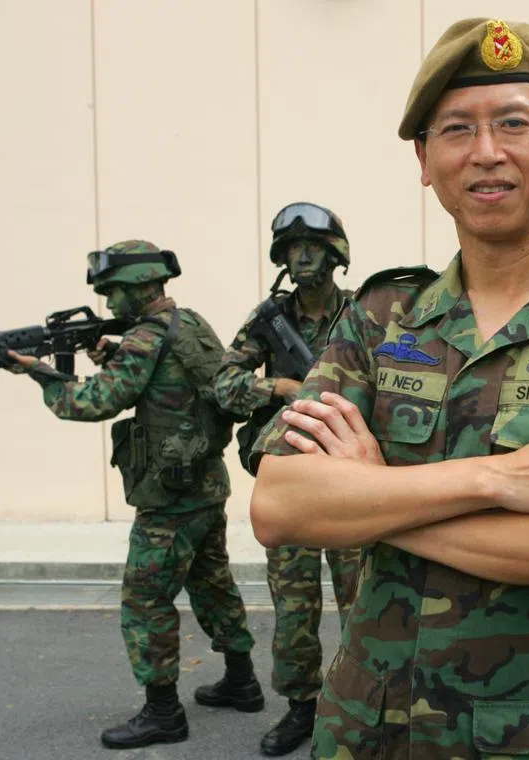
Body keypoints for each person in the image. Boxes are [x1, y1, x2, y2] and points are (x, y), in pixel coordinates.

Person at [247, 18, 529, 760]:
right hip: (370, 724)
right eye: (456, 129)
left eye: (513, 123)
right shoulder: (383, 314)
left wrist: (371, 501)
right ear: (425, 161)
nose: (486, 151)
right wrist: (505, 478)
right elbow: (281, 503)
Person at [6, 240, 261, 750]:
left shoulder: (144, 338)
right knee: (212, 583)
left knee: (145, 600)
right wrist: (113, 355)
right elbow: (177, 384)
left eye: (115, 291)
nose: (109, 303)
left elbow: (93, 402)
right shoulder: (188, 323)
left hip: (168, 497)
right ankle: (242, 682)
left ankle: (163, 713)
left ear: (142, 285)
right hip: (205, 484)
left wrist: (41, 374)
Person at [209, 202, 361, 756]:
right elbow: (222, 384)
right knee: (294, 606)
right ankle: (302, 707)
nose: (301, 257)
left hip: (352, 481)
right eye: (293, 249)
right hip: (292, 478)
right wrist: (278, 388)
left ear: (334, 255)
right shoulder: (269, 319)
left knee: (363, 603)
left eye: (312, 247)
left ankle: (365, 705)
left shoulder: (361, 314)